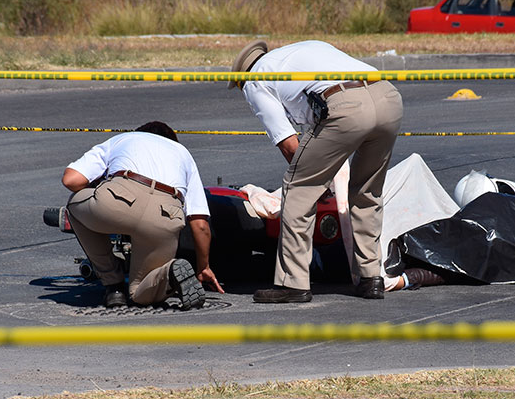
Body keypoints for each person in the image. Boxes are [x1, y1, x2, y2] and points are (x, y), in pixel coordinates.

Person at [229, 40, 404, 303]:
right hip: (387, 97)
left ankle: (293, 283)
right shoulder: (301, 51)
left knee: (297, 189)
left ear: (242, 79)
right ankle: (371, 278)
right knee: (366, 192)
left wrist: (317, 183)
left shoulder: (255, 81)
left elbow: (290, 146)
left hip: (346, 106)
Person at [61, 121, 224, 310]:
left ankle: (113, 287)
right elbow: (200, 224)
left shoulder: (123, 139)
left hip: (120, 196)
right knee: (141, 294)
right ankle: (169, 273)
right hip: (166, 213)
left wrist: (100, 186)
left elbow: (71, 179)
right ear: (172, 140)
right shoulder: (183, 153)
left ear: (139, 133)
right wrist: (203, 267)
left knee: (74, 205)